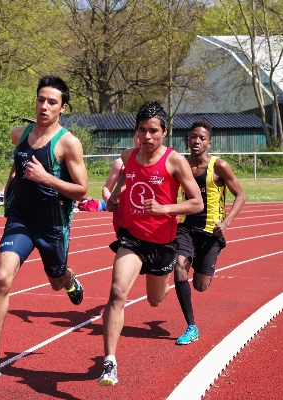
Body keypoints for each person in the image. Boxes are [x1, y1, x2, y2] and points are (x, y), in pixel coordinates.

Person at [0, 75, 88, 385]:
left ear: (62, 107)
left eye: (51, 102)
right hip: (20, 221)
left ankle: (70, 278)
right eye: (40, 100)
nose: (44, 106)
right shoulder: (18, 134)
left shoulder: (68, 143)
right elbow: (18, 165)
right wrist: (11, 183)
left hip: (52, 226)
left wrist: (46, 178)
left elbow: (82, 190)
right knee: (0, 277)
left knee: (56, 282)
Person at [98, 102, 203, 387]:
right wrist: (114, 198)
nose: (147, 137)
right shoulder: (127, 156)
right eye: (142, 130)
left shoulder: (175, 161)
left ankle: (159, 280)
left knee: (155, 301)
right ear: (136, 132)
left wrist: (165, 209)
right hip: (132, 239)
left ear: (164, 132)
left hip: (163, 244)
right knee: (117, 293)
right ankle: (109, 362)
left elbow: (196, 202)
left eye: (153, 131)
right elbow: (122, 185)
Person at [173, 121, 246, 345]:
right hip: (185, 227)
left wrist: (226, 223)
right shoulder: (181, 165)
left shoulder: (219, 166)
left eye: (202, 138)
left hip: (210, 232)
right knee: (179, 268)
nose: (197, 141)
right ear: (188, 139)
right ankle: (191, 326)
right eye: (193, 137)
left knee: (200, 286)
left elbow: (241, 195)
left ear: (209, 142)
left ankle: (204, 263)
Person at [102, 133, 140, 250]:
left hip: (144, 215)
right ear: (134, 138)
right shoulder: (120, 162)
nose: (143, 137)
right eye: (139, 135)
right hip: (122, 216)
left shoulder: (157, 161)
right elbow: (106, 188)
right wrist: (110, 200)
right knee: (126, 249)